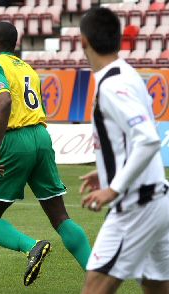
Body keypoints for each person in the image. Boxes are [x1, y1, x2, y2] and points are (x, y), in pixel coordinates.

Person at [0, 21, 92, 287]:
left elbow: (4, 102)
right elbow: (24, 115)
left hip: (14, 143)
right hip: (41, 138)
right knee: (59, 216)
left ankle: (32, 246)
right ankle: (97, 273)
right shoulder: (27, 69)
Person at [79, 8, 169, 294]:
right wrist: (107, 169)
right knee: (157, 287)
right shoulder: (127, 73)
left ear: (83, 41)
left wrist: (113, 188)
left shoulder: (112, 84)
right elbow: (135, 138)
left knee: (94, 287)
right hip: (157, 200)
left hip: (136, 207)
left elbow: (147, 139)